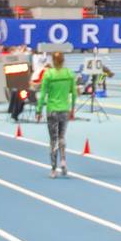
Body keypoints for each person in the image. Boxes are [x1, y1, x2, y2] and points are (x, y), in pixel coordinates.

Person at [36, 51, 78, 179]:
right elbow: (74, 93)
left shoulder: (48, 74)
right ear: (63, 61)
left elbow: (43, 94)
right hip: (65, 109)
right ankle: (63, 160)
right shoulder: (69, 74)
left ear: (53, 61)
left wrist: (38, 110)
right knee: (61, 136)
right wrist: (72, 109)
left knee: (53, 139)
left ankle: (53, 169)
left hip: (52, 110)